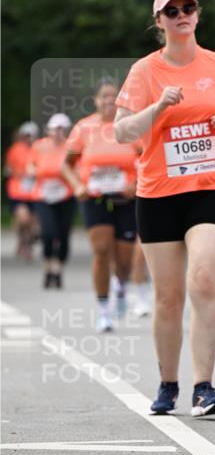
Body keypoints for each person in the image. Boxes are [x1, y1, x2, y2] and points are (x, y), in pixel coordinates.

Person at [114, 0, 215, 417]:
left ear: (198, 14)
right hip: (159, 193)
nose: (181, 15)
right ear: (160, 21)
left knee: (203, 278)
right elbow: (122, 131)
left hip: (209, 188)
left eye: (188, 8)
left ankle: (204, 386)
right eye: (172, 11)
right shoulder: (145, 72)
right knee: (168, 296)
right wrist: (158, 108)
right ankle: (168, 383)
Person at [61, 80, 141, 332]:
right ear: (95, 100)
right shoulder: (84, 128)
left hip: (126, 198)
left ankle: (121, 286)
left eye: (113, 97)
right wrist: (77, 186)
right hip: (95, 198)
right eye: (103, 97)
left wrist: (137, 183)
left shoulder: (130, 126)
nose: (108, 101)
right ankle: (103, 311)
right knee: (102, 251)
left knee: (125, 258)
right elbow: (66, 164)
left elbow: (149, 158)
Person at [28, 113, 76, 288]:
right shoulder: (39, 146)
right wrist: (35, 171)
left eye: (62, 129)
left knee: (63, 234)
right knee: (49, 233)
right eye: (55, 129)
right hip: (43, 195)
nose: (58, 133)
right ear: (49, 130)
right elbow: (30, 165)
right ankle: (48, 266)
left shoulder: (72, 147)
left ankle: (58, 270)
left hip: (66, 195)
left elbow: (78, 168)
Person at [4, 121, 39, 259]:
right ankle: (21, 240)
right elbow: (8, 169)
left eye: (32, 135)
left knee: (32, 222)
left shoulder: (39, 148)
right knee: (23, 219)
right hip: (17, 191)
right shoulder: (15, 149)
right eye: (27, 135)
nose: (29, 138)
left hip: (34, 191)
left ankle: (27, 245)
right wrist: (22, 174)